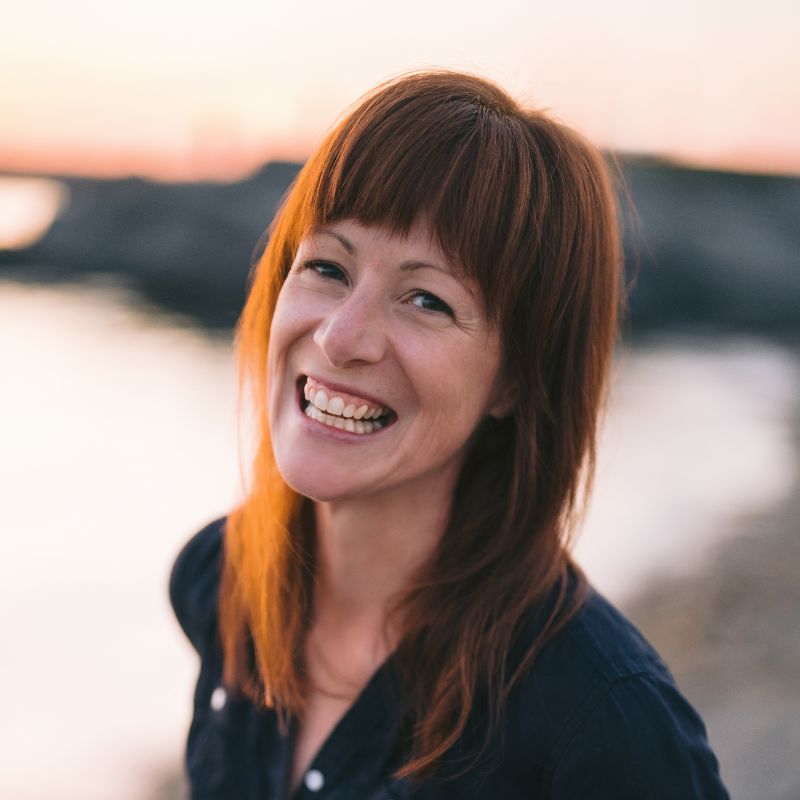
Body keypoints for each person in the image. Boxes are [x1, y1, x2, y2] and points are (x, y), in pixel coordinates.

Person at [169, 70, 730, 799]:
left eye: (427, 299)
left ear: (518, 377)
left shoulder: (601, 724)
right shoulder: (219, 581)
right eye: (328, 267)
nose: (342, 338)